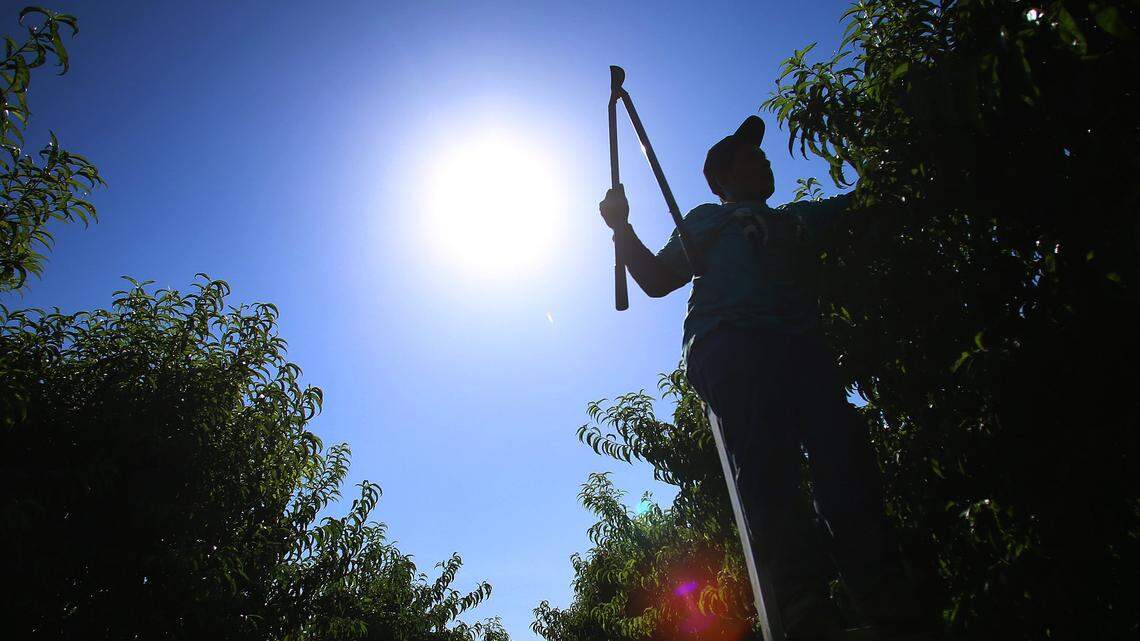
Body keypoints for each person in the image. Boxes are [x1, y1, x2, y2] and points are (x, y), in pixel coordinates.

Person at [598, 116, 934, 641]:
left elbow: (871, 204)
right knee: (768, 466)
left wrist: (902, 160)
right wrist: (622, 227)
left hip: (799, 344)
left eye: (762, 154)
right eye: (747, 157)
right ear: (722, 179)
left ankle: (882, 591)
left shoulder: (799, 219)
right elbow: (659, 280)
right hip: (730, 341)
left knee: (844, 459)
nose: (764, 160)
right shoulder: (709, 219)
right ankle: (803, 603)